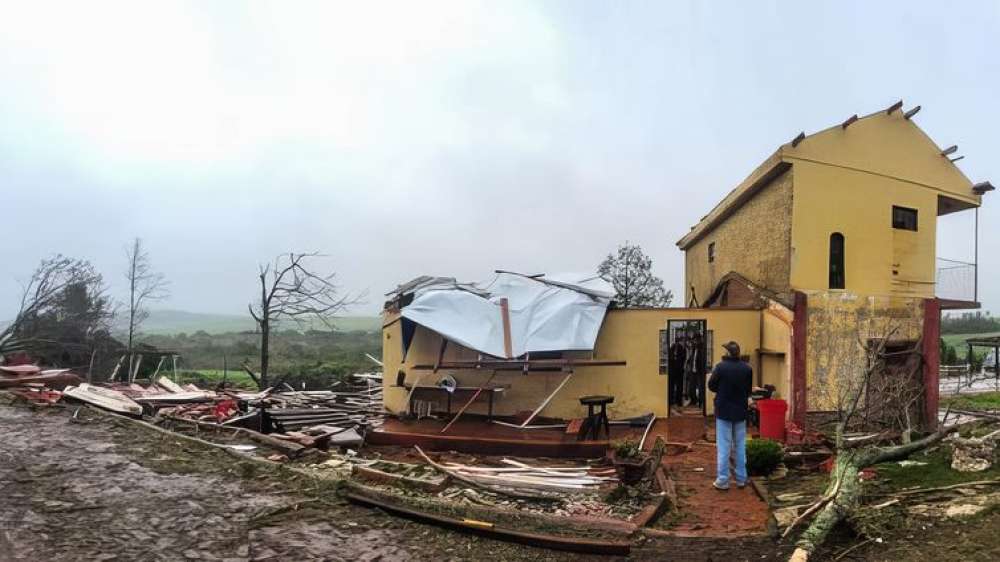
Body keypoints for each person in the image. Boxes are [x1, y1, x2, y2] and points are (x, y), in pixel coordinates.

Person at [707, 340, 753, 490]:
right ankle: (741, 479)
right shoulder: (747, 369)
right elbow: (748, 391)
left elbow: (711, 386)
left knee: (724, 445)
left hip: (724, 411)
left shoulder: (720, 368)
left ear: (727, 353)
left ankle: (723, 480)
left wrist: (722, 390)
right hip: (740, 411)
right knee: (740, 445)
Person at [668, 335, 687, 410]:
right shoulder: (672, 348)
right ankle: (672, 400)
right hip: (674, 370)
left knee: (678, 386)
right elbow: (670, 357)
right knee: (672, 386)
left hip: (679, 370)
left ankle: (678, 401)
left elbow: (683, 358)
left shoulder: (682, 348)